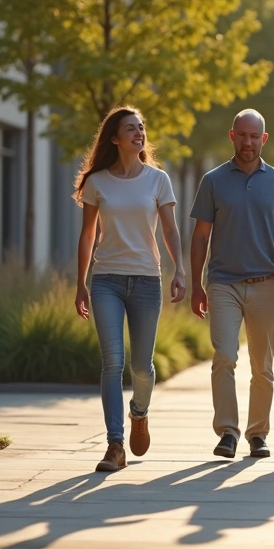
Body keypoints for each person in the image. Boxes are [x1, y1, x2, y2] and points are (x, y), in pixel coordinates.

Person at [74, 105, 186, 473]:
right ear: (114, 138)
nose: (139, 133)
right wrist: (80, 283)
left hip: (145, 280)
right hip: (106, 279)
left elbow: (169, 230)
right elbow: (88, 234)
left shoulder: (158, 180)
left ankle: (140, 412)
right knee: (113, 362)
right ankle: (115, 444)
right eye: (130, 128)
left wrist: (180, 270)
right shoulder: (98, 182)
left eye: (141, 128)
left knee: (141, 365)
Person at [190, 108, 274, 459]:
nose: (249, 142)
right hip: (223, 282)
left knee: (262, 365)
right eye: (243, 135)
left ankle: (258, 433)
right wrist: (196, 284)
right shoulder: (213, 180)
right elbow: (200, 236)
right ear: (232, 136)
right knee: (224, 356)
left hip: (266, 283)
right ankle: (227, 431)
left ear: (264, 139)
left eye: (255, 136)